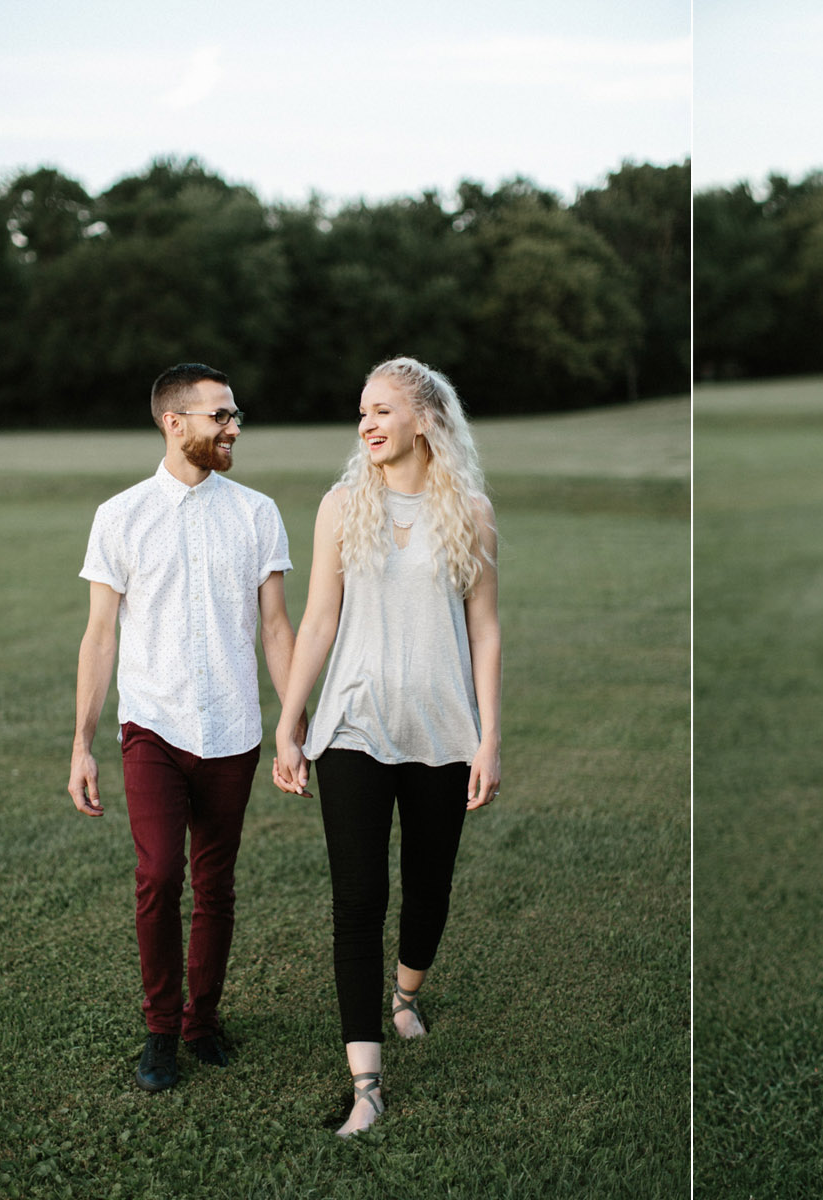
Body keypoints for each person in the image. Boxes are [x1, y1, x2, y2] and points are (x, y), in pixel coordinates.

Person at [271, 356, 502, 1138]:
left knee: (428, 889)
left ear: (424, 420)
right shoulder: (342, 506)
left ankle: (406, 994)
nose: (366, 424)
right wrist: (291, 720)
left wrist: (490, 736)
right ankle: (366, 1085)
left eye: (381, 410)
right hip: (353, 728)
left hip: (442, 730)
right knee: (357, 902)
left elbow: (486, 629)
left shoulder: (470, 512)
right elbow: (319, 622)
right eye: (361, 412)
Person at [68, 362, 297, 1093]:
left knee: (216, 882)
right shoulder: (120, 516)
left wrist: (292, 724)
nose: (234, 428)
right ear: (175, 422)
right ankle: (161, 1029)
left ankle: (204, 1021)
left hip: (234, 729)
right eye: (220, 416)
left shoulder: (258, 512)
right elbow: (100, 636)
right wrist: (82, 744)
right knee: (159, 873)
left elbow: (275, 627)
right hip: (153, 730)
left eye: (235, 417)